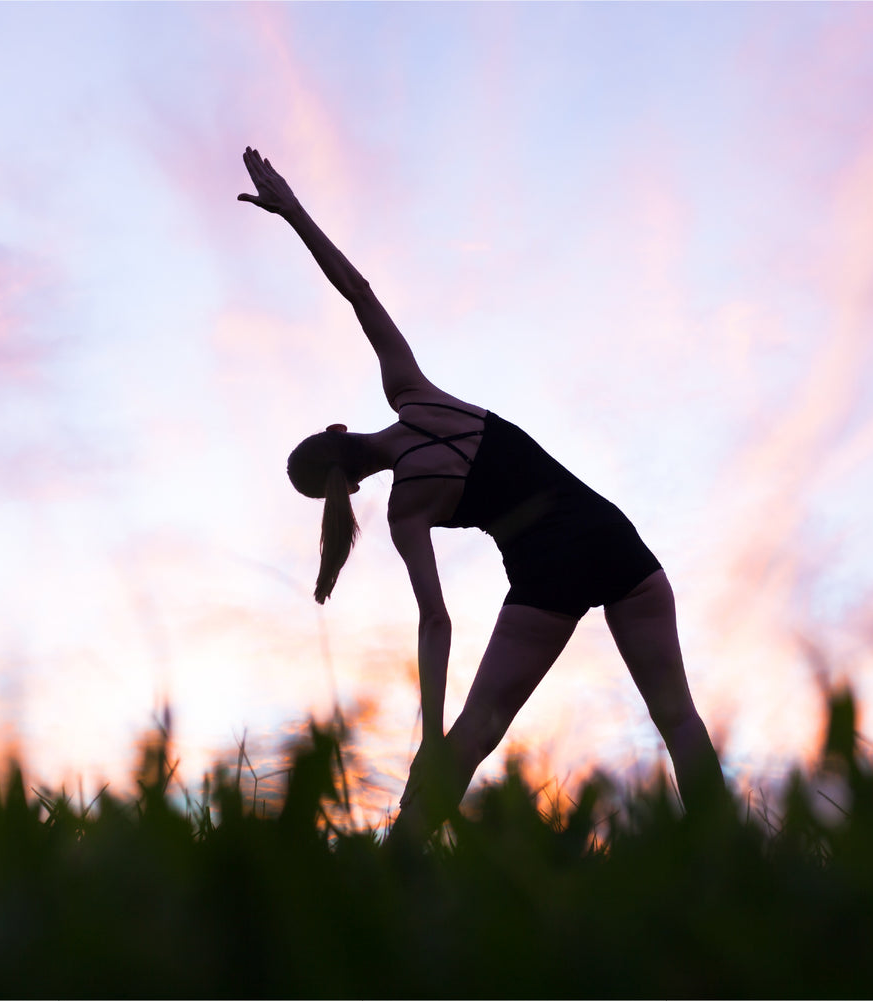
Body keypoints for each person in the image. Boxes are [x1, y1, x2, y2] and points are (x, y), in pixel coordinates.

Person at [238, 147, 727, 844]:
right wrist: (293, 213)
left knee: (473, 735)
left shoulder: (407, 508)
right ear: (338, 429)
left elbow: (436, 622)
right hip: (612, 533)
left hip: (548, 569)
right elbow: (360, 293)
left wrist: (432, 733)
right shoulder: (414, 396)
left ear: (341, 491)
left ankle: (400, 861)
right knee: (678, 716)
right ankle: (732, 855)